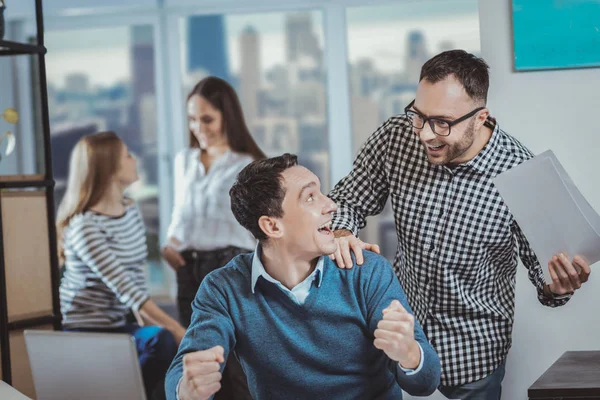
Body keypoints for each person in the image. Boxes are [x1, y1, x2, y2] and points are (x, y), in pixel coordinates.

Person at [327, 49, 592, 399]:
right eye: (418, 116)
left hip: (474, 354)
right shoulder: (396, 137)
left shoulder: (522, 173)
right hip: (399, 335)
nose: (424, 134)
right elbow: (348, 200)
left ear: (480, 117)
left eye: (442, 122)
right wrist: (343, 232)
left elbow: (543, 274)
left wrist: (558, 287)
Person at [165, 154, 441, 400]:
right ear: (272, 225)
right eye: (310, 197)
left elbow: (426, 382)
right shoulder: (223, 289)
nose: (331, 204)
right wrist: (186, 390)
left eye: (321, 192)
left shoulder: (366, 271)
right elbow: (185, 367)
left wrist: (410, 354)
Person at [57, 131, 186, 400]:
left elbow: (137, 280)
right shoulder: (85, 226)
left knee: (161, 342)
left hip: (118, 325)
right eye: (127, 154)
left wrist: (162, 330)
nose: (134, 159)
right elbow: (126, 289)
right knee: (163, 339)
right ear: (109, 166)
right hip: (85, 331)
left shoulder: (130, 210)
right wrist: (175, 329)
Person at [161, 76, 265, 399]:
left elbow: (258, 224)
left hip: (231, 264)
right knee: (197, 362)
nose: (198, 127)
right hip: (189, 266)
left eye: (207, 119)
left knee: (236, 363)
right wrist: (170, 243)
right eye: (192, 119)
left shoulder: (247, 165)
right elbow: (182, 210)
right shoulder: (184, 161)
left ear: (226, 117)